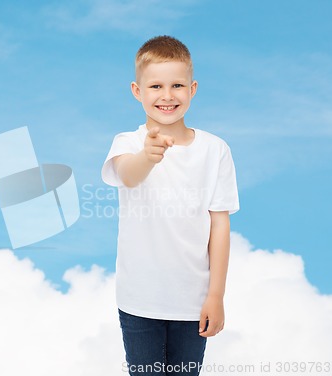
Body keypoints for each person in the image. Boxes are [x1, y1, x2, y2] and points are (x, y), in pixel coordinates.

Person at [101, 35, 239, 375]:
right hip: (139, 299)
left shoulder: (215, 149)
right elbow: (128, 175)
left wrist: (216, 295)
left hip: (193, 302)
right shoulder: (128, 143)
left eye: (177, 85)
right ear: (137, 90)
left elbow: (219, 225)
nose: (167, 95)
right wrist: (148, 156)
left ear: (192, 89)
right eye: (156, 86)